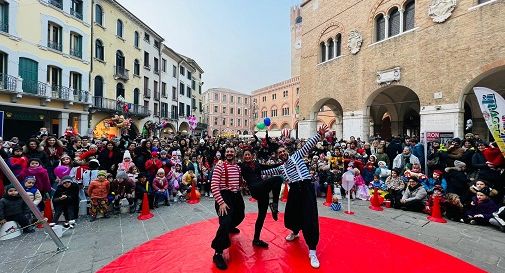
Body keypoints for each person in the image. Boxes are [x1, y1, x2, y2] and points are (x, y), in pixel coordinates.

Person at [262, 124, 329, 269]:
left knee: (309, 217)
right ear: (278, 156)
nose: (282, 153)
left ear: (287, 151)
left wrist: (319, 134)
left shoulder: (297, 155)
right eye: (279, 153)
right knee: (291, 214)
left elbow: (308, 146)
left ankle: (312, 250)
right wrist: (253, 171)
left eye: (283, 151)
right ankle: (295, 232)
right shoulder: (281, 167)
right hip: (294, 190)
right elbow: (268, 171)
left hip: (305, 188)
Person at [237, 148, 283, 248]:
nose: (247, 156)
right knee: (278, 178)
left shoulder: (257, 164)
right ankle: (275, 204)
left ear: (252, 156)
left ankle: (256, 239)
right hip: (255, 189)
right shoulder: (241, 166)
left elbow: (269, 166)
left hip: (263, 191)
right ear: (243, 157)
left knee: (261, 216)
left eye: (249, 154)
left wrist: (282, 164)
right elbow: (231, 166)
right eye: (246, 155)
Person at [210, 147, 245, 270]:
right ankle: (218, 253)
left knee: (241, 215)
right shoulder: (219, 166)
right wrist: (221, 202)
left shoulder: (238, 167)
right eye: (228, 151)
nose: (230, 153)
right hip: (224, 196)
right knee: (225, 222)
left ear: (235, 153)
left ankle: (230, 227)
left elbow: (239, 181)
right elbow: (214, 185)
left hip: (236, 195)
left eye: (232, 151)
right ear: (225, 154)